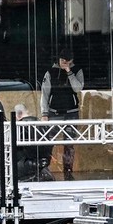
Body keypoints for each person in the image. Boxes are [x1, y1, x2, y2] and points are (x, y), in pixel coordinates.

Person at [40, 49, 84, 180]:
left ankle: (68, 171)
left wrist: (69, 72)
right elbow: (45, 94)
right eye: (62, 61)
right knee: (49, 141)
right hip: (54, 112)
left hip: (71, 112)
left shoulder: (77, 71)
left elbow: (78, 88)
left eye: (67, 61)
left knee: (69, 144)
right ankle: (44, 168)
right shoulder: (50, 72)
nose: (64, 63)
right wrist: (44, 113)